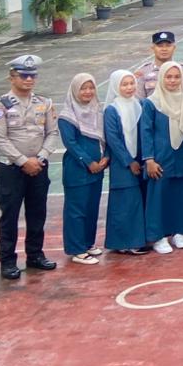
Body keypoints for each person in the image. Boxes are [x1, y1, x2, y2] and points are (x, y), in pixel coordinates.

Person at [0, 55, 59, 279]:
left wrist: (40, 157)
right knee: (9, 216)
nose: (29, 79)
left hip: (38, 167)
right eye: (24, 75)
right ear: (12, 77)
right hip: (11, 169)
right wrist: (23, 161)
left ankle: (35, 255)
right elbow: (0, 139)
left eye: (32, 75)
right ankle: (8, 261)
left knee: (37, 213)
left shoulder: (44, 103)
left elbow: (52, 133)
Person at [141, 62, 183, 254]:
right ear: (161, 78)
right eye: (168, 77)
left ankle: (180, 232)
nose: (172, 81)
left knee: (182, 194)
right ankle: (159, 236)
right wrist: (149, 159)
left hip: (182, 156)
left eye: (176, 77)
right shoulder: (152, 102)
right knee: (159, 197)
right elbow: (145, 132)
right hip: (160, 158)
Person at [59, 73, 108, 265]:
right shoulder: (67, 116)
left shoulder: (98, 111)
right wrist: (89, 162)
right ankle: (76, 249)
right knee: (76, 209)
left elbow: (105, 138)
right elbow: (71, 143)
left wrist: (106, 158)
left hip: (97, 170)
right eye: (83, 88)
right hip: (77, 170)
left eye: (91, 88)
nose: (88, 92)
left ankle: (88, 243)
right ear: (75, 90)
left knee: (92, 208)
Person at [103, 70, 148, 255]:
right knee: (124, 202)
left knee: (137, 202)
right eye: (124, 84)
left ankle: (136, 240)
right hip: (122, 165)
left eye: (131, 83)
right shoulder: (112, 110)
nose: (129, 88)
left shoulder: (139, 105)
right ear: (115, 86)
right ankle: (122, 242)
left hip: (139, 161)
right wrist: (129, 161)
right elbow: (113, 140)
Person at [136, 31, 177, 98]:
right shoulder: (143, 72)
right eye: (160, 46)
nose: (164, 49)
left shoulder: (182, 70)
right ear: (153, 48)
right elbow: (139, 100)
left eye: (168, 45)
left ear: (174, 48)